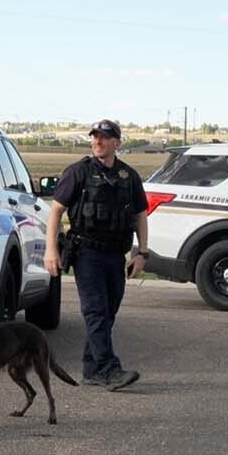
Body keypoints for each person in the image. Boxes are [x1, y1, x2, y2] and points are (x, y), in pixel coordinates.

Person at [43, 119, 149, 391]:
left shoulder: (129, 177)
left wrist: (142, 253)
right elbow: (56, 210)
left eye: (104, 137)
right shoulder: (78, 172)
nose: (97, 142)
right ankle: (109, 369)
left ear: (117, 143)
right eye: (95, 137)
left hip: (116, 254)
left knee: (108, 312)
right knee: (96, 312)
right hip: (87, 253)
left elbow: (139, 215)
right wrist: (51, 249)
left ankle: (91, 369)